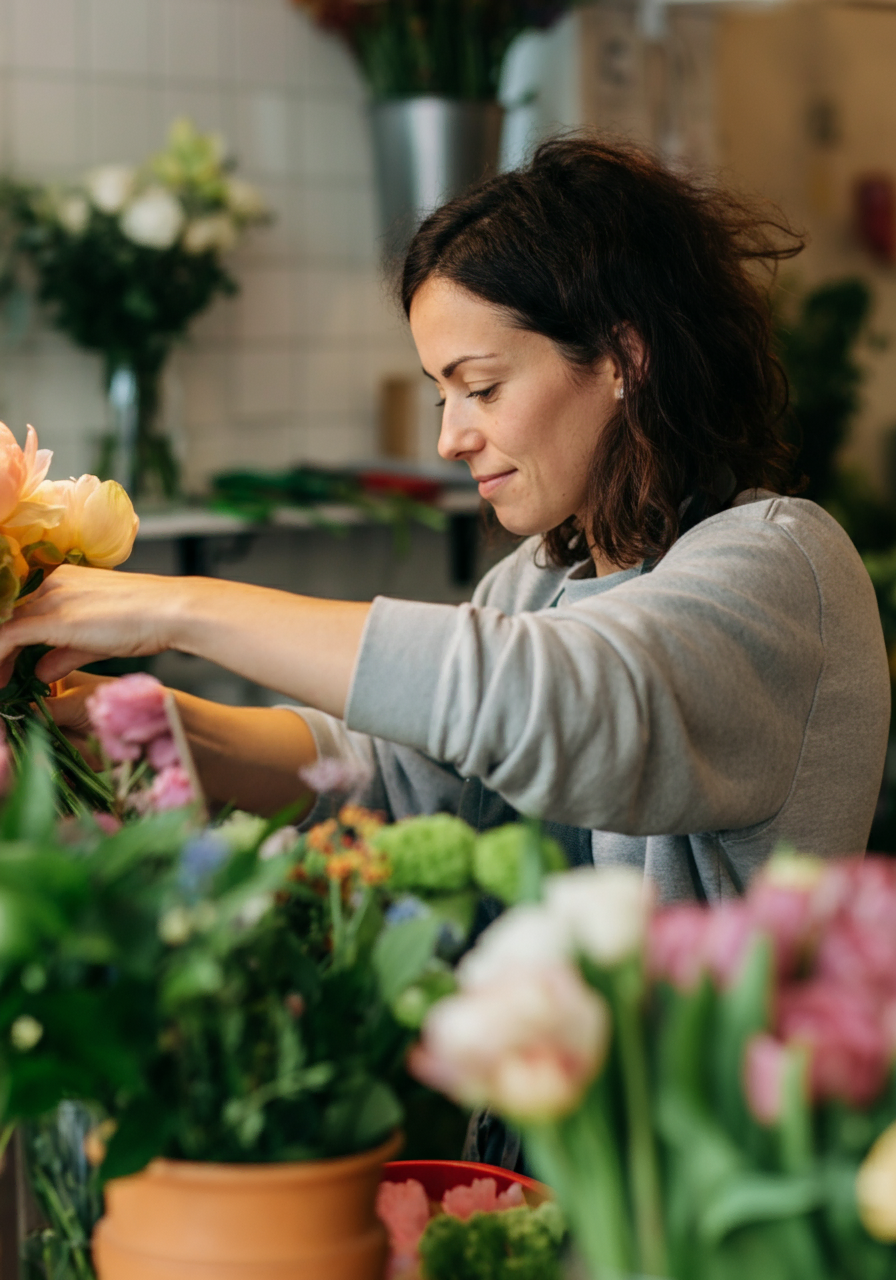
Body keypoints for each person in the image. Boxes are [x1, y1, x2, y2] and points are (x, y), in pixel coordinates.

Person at [0, 137, 889, 905]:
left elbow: (559, 705)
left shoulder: (781, 564)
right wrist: (153, 723)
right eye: (440, 393)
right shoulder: (539, 578)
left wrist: (175, 609)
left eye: (483, 387)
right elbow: (396, 773)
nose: (449, 438)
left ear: (623, 357)